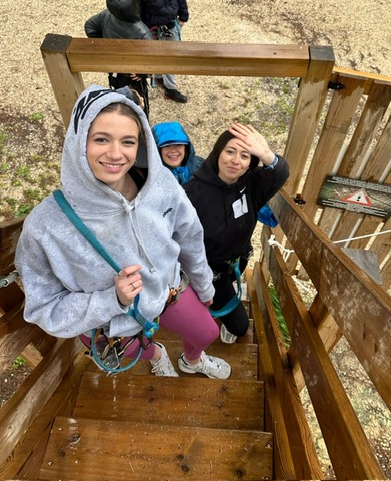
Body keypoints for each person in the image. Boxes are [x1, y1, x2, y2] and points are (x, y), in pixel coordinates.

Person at [15, 85, 231, 379]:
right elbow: (45, 308)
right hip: (112, 320)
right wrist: (111, 300)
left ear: (141, 144)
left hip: (167, 292)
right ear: (79, 141)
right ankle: (157, 355)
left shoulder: (161, 184)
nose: (116, 154)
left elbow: (189, 235)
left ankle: (191, 361)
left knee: (207, 332)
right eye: (101, 139)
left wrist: (204, 285)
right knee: (138, 349)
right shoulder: (45, 226)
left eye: (128, 141)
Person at [185, 122, 289, 344]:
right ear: (218, 153)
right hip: (210, 272)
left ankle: (223, 292)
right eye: (230, 151)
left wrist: (265, 154)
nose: (235, 160)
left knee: (233, 279)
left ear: (251, 163)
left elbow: (280, 173)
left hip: (239, 259)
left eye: (244, 156)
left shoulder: (251, 185)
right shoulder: (192, 193)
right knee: (241, 327)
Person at [127, 0, 189, 104]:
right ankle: (170, 89)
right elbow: (135, 15)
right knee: (168, 58)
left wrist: (183, 15)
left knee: (171, 56)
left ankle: (161, 78)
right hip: (153, 29)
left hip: (172, 23)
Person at [84, 0, 152, 119]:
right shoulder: (142, 32)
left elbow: (90, 26)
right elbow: (152, 58)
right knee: (139, 103)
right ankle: (141, 125)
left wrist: (106, 50)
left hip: (114, 70)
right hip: (131, 76)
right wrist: (143, 72)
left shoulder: (106, 15)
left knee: (119, 98)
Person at [152, 121, 203, 186]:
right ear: (157, 150)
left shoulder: (201, 167)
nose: (173, 150)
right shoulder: (151, 176)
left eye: (178, 145)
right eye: (167, 146)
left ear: (186, 147)